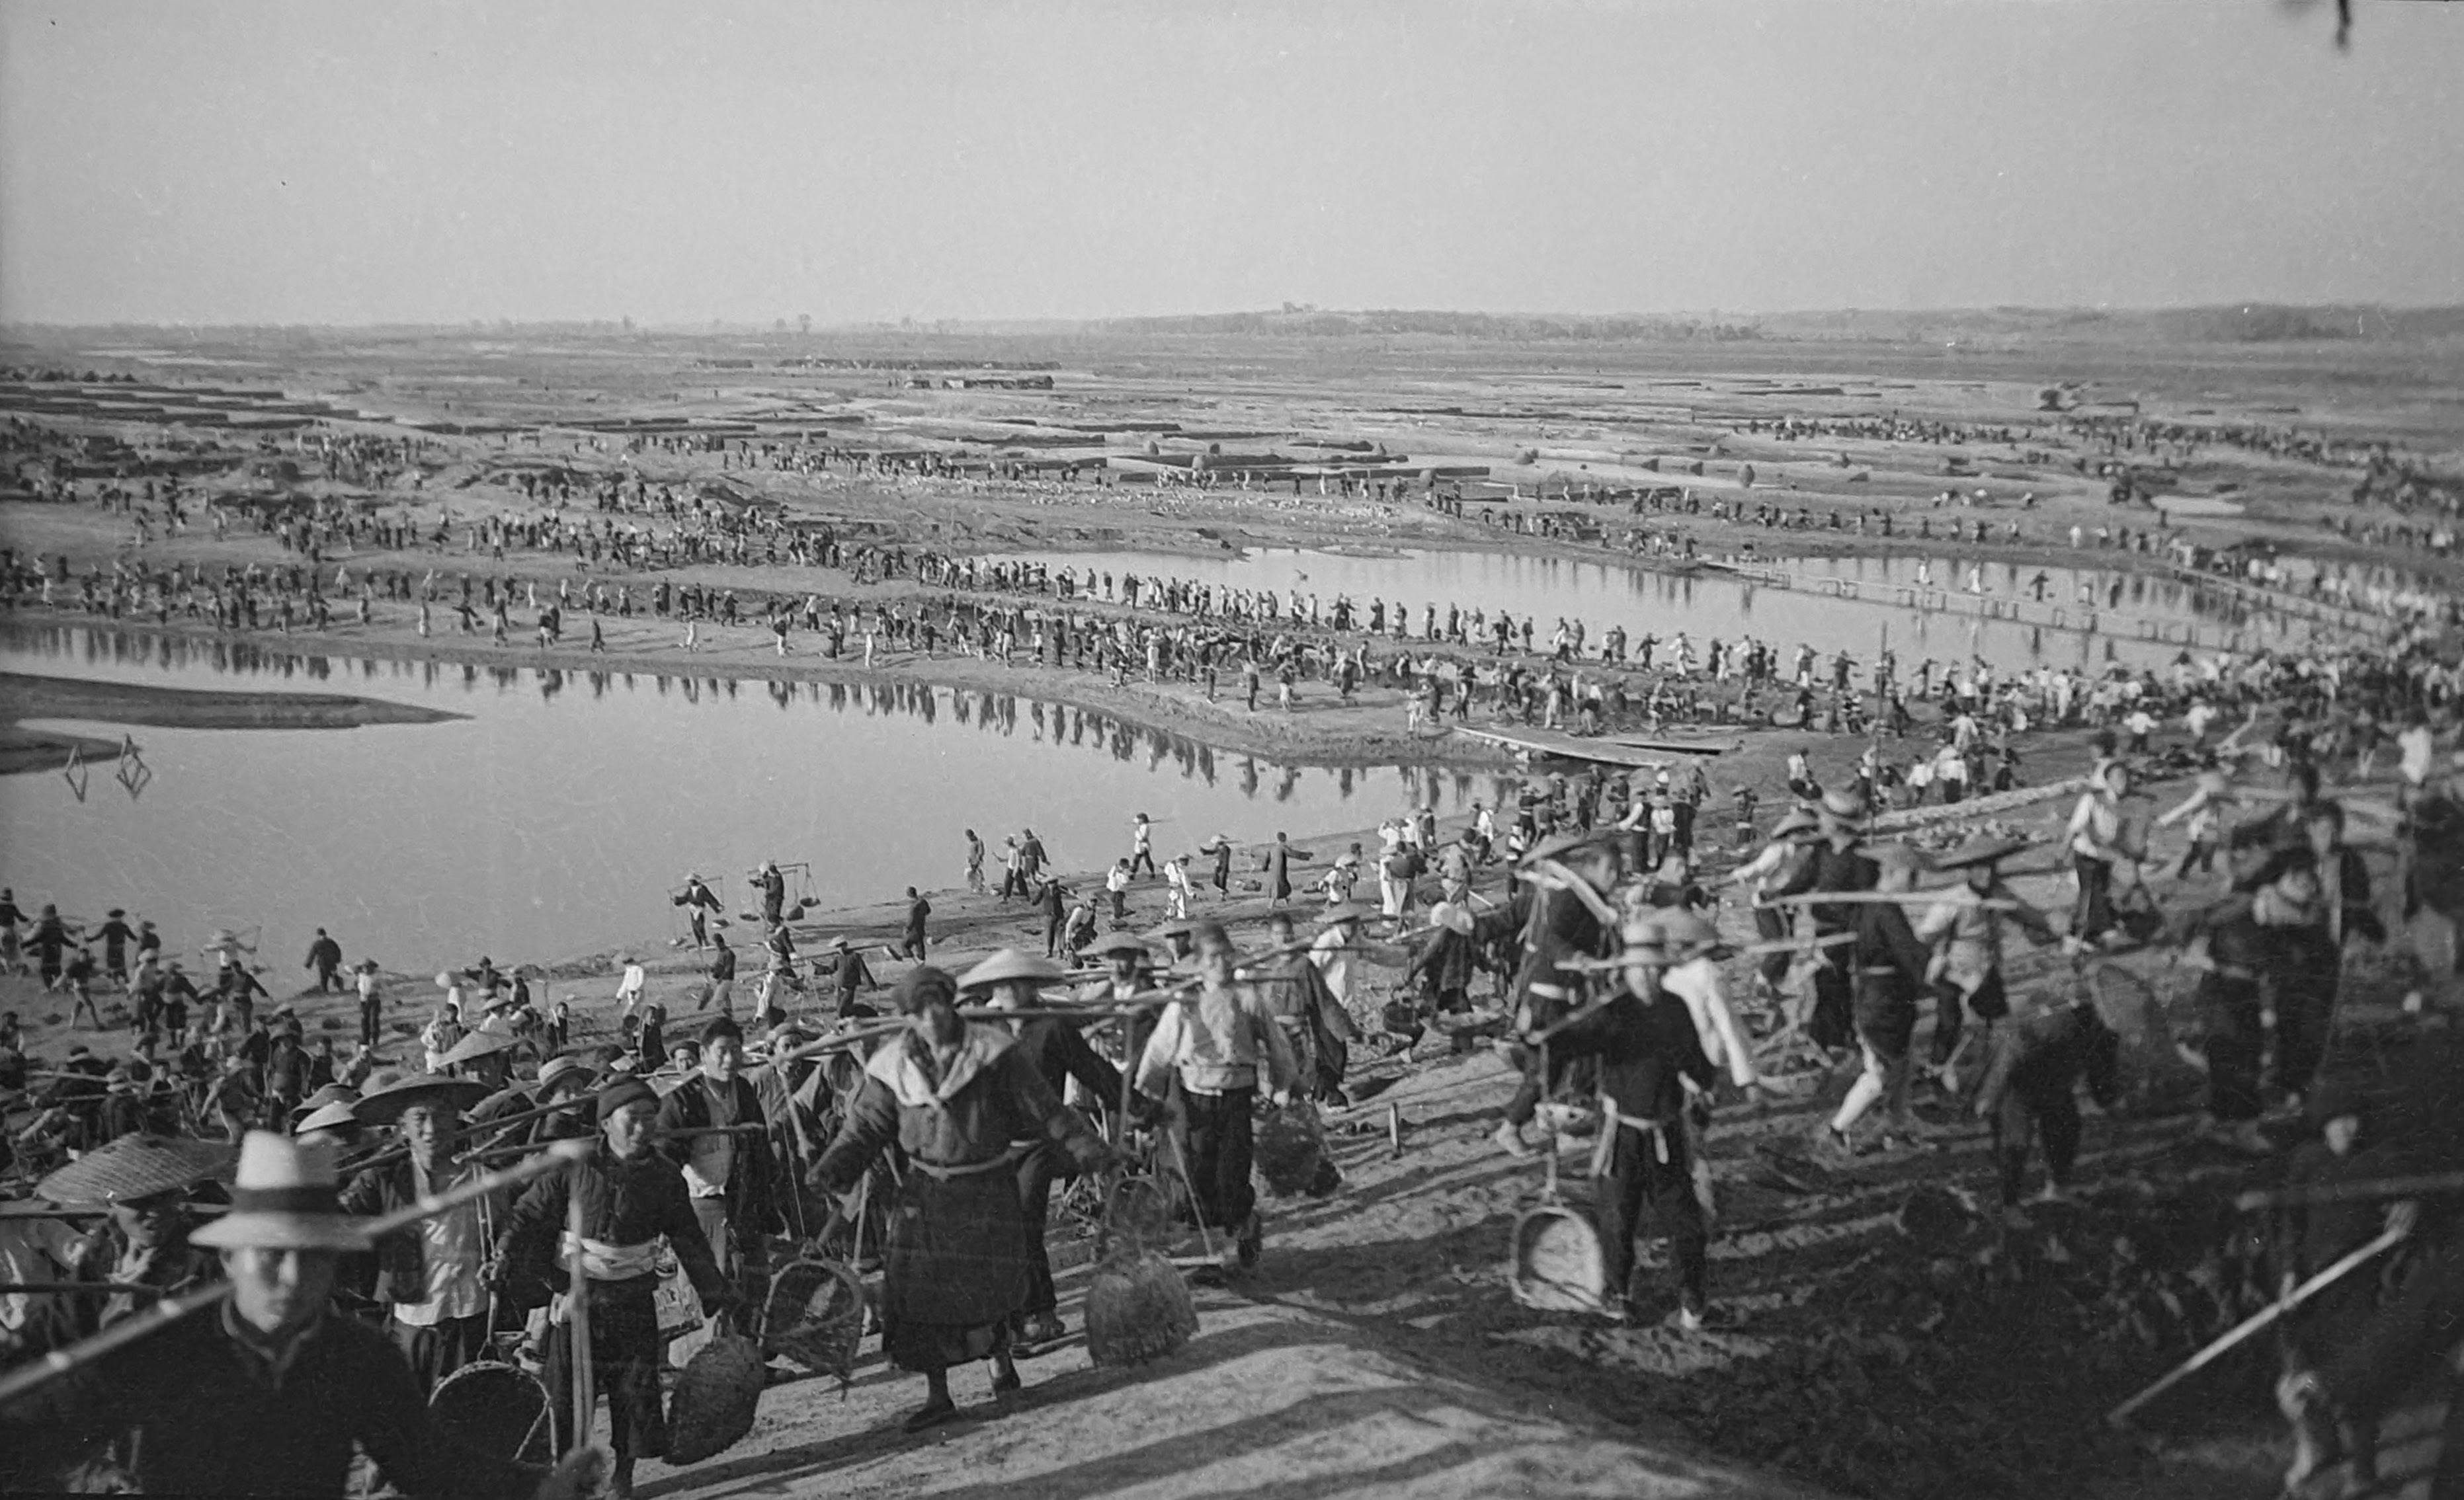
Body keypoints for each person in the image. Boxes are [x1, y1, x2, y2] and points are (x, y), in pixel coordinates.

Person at [3, 1131, 550, 1499]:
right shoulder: (165, 1345)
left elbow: (427, 1460)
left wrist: (539, 1486)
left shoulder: (359, 1356)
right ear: (229, 1259)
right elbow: (47, 1427)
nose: (290, 1279)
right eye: (270, 1256)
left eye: (311, 1259)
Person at [809, 967, 1111, 1433]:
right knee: (922, 1296)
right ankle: (939, 1394)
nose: (931, 1017)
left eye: (937, 1005)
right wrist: (834, 1168)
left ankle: (1002, 1368)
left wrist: (1088, 1149)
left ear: (951, 1003)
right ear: (908, 1017)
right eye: (919, 1011)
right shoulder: (892, 1067)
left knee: (990, 1282)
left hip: (987, 1189)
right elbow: (866, 1126)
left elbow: (1045, 1109)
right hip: (926, 1195)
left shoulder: (993, 1054)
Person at [496, 1080, 733, 1498]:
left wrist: (712, 1288)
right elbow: (528, 1213)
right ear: (606, 1123)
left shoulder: (664, 1176)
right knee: (569, 1402)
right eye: (632, 1117)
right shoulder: (573, 1166)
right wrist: (504, 1254)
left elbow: (687, 1236)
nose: (642, 1127)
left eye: (649, 1117)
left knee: (635, 1395)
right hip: (576, 1301)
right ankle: (570, 1478)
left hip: (632, 1300)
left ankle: (624, 1474)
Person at [1541, 912, 1720, 1329]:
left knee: (1685, 1223)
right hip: (1620, 1135)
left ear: (1662, 970)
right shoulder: (1613, 1011)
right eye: (1638, 971)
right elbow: (1575, 1040)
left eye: (1653, 970)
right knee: (1617, 1218)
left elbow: (1698, 1067)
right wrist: (1544, 1036)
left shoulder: (1676, 1010)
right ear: (1626, 970)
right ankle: (1618, 1295)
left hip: (1666, 1133)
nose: (1646, 978)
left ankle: (1693, 1303)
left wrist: (1700, 1079)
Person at [958, 949, 1123, 1351]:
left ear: (1033, 988)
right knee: (1001, 1232)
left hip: (1041, 1140)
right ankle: (1016, 1317)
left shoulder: (1053, 1029)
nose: (1011, 991)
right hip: (995, 1148)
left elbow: (1095, 1073)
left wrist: (1138, 1105)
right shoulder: (983, 1029)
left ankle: (1041, 1312)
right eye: (1002, 985)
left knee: (1026, 1225)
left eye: (1018, 983)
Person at [1134, 922, 1298, 1272]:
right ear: (1199, 962)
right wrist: (1144, 1096)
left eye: (1226, 955)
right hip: (1193, 1096)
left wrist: (1282, 1084)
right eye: (1212, 957)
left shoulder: (1247, 997)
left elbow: (1276, 1043)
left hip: (1237, 1093)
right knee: (1198, 1172)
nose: (1221, 963)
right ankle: (1213, 1251)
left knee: (1233, 1170)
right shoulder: (1185, 1001)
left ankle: (1242, 1224)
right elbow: (1160, 1049)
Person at [341, 1070, 497, 1394]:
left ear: (456, 1122)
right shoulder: (382, 1179)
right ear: (404, 1128)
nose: (431, 1129)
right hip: (412, 1318)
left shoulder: (483, 1179)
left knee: (465, 1413)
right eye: (420, 1119)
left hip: (470, 1316)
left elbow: (510, 1230)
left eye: (441, 1117)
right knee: (407, 1413)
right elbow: (341, 1219)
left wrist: (501, 1257)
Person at [1492, 830, 1621, 1159]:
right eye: (1611, 870)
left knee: (1576, 1058)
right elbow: (1550, 939)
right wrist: (1578, 959)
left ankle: (1557, 1127)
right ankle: (1515, 1127)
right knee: (1548, 1068)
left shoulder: (1585, 899)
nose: (1616, 878)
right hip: (1546, 998)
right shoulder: (1566, 898)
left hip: (1568, 995)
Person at [1813, 843, 1939, 1159]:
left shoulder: (1871, 906)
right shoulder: (1885, 911)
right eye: (1912, 875)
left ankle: (1897, 1125)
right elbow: (1908, 953)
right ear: (1894, 873)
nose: (1916, 882)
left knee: (1903, 1066)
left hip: (1884, 997)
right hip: (1882, 1003)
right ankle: (1837, 1130)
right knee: (1879, 1073)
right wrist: (1937, 966)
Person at [655, 1015, 778, 1321]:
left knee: (752, 1281)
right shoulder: (682, 1100)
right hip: (703, 1205)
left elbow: (761, 1148)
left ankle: (752, 1361)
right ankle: (712, 1362)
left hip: (743, 1201)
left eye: (736, 1050)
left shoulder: (745, 1092)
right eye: (721, 1051)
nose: (729, 1059)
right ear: (704, 1055)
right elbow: (664, 1162)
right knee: (709, 1287)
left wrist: (769, 1200)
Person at [1914, 836, 2061, 1087]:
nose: (1986, 873)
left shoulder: (2000, 894)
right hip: (1952, 968)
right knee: (1949, 1021)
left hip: (1983, 968)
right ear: (1969, 871)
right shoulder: (1954, 899)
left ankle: (1995, 1071)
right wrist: (1928, 955)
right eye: (1980, 868)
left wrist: (2052, 925)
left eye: (1990, 867)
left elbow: (2026, 914)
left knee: (1999, 1023)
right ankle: (1937, 1070)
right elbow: (1925, 934)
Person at [354, 959, 386, 1048]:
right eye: (364, 968)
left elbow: (385, 988)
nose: (366, 970)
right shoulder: (361, 976)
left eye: (368, 968)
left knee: (374, 1020)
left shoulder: (377, 977)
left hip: (374, 1000)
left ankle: (375, 1040)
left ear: (373, 968)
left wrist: (395, 999)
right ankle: (365, 1039)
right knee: (364, 1020)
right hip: (364, 1001)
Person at [304, 928, 344, 994]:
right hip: (331, 963)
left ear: (318, 935)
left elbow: (312, 954)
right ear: (325, 934)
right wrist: (338, 959)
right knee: (333, 975)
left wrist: (308, 964)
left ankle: (325, 991)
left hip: (323, 964)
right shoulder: (331, 942)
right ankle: (340, 987)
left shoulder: (317, 944)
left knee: (324, 978)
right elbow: (337, 951)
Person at [902, 887, 932, 962]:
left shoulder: (914, 906)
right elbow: (928, 911)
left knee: (905, 946)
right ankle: (921, 960)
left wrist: (907, 928)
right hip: (921, 929)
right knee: (920, 947)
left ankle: (911, 960)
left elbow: (912, 919)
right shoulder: (923, 902)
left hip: (913, 930)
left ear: (909, 895)